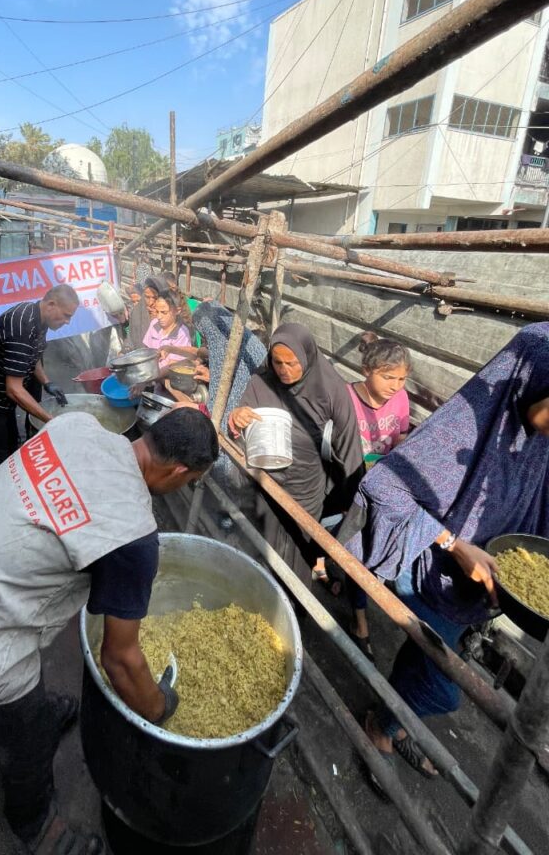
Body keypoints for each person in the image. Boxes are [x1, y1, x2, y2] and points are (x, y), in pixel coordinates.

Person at [0, 408, 219, 853]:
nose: (188, 486)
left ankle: (37, 714)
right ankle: (39, 829)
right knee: (24, 745)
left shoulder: (75, 425)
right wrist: (160, 708)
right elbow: (120, 661)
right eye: (193, 480)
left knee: (30, 703)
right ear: (180, 471)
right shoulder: (134, 535)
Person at [351, 323, 549, 780]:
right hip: (431, 572)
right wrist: (458, 548)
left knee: (421, 659)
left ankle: (392, 723)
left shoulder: (539, 446)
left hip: (474, 593)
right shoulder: (467, 425)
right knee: (445, 691)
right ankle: (380, 723)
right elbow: (383, 486)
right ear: (534, 382)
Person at [228, 323, 364, 590]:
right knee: (266, 544)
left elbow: (349, 445)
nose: (284, 370)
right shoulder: (262, 380)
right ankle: (265, 594)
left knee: (302, 548)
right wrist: (237, 417)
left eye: (291, 363)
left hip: (306, 486)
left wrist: (353, 500)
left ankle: (295, 608)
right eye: (277, 362)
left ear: (307, 357)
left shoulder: (331, 389)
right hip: (265, 480)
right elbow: (240, 422)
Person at [345, 333, 411, 659]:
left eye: (401, 378)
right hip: (346, 485)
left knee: (369, 550)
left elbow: (400, 437)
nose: (395, 385)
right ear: (366, 370)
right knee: (353, 548)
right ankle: (360, 620)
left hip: (381, 489)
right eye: (388, 377)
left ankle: (354, 596)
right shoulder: (345, 397)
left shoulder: (400, 399)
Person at [0, 284, 80, 481]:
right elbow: (14, 389)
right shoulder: (22, 326)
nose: (67, 321)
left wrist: (47, 382)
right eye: (66, 315)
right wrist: (51, 421)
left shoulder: (39, 318)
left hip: (4, 405)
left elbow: (33, 354)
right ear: (51, 304)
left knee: (12, 455)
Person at [141, 290, 193, 391]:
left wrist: (146, 380)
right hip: (151, 380)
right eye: (157, 311)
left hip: (171, 386)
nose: (159, 317)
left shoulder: (182, 334)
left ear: (177, 311)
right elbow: (146, 351)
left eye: (164, 312)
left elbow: (173, 365)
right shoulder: (154, 324)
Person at [127, 275, 167, 349]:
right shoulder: (137, 312)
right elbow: (130, 340)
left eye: (155, 298)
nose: (150, 302)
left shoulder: (171, 315)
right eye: (147, 297)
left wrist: (158, 322)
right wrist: (124, 351)